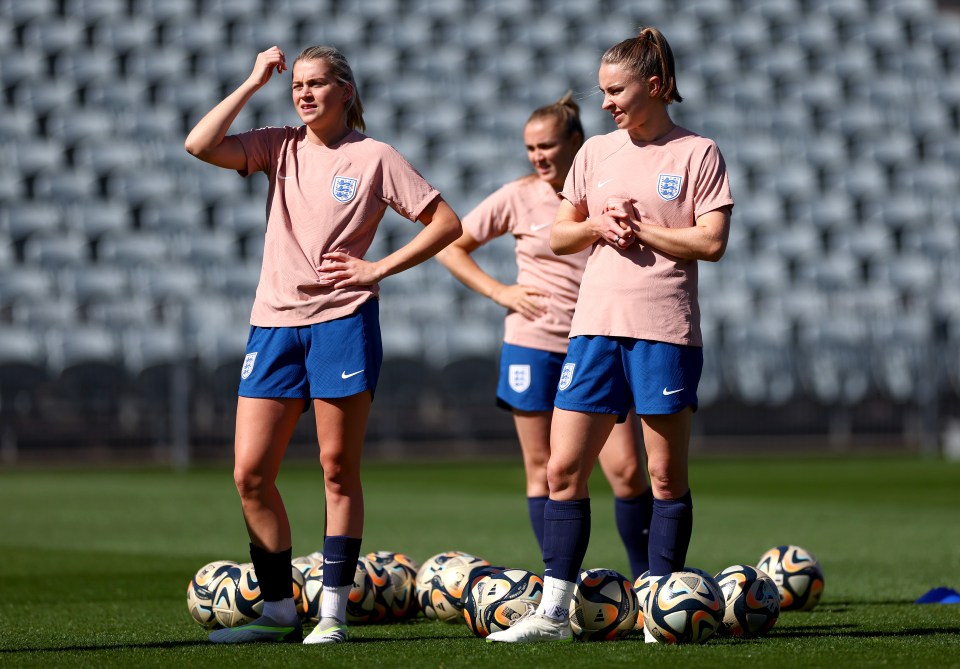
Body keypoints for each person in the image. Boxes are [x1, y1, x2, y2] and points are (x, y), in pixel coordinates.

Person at [184, 45, 461, 645]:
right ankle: (280, 610)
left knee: (337, 469)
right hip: (274, 324)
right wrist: (254, 80)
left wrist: (378, 268)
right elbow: (199, 144)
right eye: (297, 85)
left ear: (346, 92)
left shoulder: (376, 156)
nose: (304, 93)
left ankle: (331, 613)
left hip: (342, 322)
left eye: (316, 84)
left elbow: (446, 223)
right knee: (250, 473)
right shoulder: (277, 144)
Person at [487, 27, 733, 643]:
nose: (605, 104)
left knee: (664, 477)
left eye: (616, 90)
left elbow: (712, 243)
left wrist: (644, 230)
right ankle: (552, 613)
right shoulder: (595, 152)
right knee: (561, 470)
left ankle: (661, 611)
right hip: (593, 331)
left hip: (664, 333)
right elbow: (561, 234)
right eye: (601, 91)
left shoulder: (698, 153)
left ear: (654, 86)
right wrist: (598, 222)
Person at [435, 93, 653, 580]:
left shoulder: (602, 190)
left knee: (627, 470)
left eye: (547, 145)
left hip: (598, 340)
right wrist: (499, 292)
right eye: (530, 147)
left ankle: (647, 583)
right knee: (543, 467)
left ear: (576, 142)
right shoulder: (517, 196)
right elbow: (451, 246)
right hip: (532, 343)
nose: (538, 156)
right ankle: (561, 582)